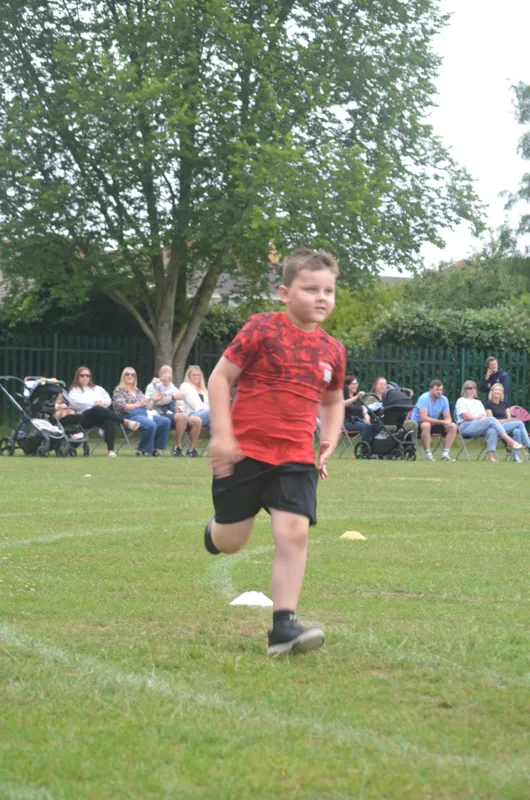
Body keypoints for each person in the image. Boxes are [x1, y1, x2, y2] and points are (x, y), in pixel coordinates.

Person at [203, 248, 346, 656]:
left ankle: (283, 626)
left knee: (293, 532)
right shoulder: (261, 328)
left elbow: (333, 401)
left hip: (296, 459)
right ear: (285, 292)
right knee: (232, 540)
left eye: (329, 291)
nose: (321, 297)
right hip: (245, 453)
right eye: (310, 288)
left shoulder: (333, 350)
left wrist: (329, 441)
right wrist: (223, 436)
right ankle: (214, 531)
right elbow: (218, 379)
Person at [67, 366, 140, 457]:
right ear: (77, 377)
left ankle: (110, 451)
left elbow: (108, 400)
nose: (85, 377)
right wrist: (95, 403)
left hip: (99, 415)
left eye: (87, 375)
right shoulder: (74, 391)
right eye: (82, 375)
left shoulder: (98, 388)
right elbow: (76, 403)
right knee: (97, 408)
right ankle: (124, 421)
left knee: (109, 419)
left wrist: (101, 402)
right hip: (84, 417)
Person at [455, 380, 523, 463]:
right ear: (465, 390)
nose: (472, 390)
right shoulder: (461, 400)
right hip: (466, 426)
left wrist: (481, 418)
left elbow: (484, 416)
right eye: (469, 388)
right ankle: (510, 441)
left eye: (474, 388)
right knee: (491, 419)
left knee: (492, 430)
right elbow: (465, 416)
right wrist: (478, 418)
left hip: (479, 425)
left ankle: (491, 457)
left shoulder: (478, 402)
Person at [144, 365, 202, 457]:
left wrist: (179, 407)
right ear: (159, 374)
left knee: (197, 420)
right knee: (182, 417)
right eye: (164, 373)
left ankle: (191, 449)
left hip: (175, 413)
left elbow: (181, 401)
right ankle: (177, 447)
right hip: (159, 414)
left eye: (169, 373)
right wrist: (172, 397)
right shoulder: (153, 386)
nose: (167, 375)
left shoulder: (172, 387)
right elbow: (157, 401)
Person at [112, 367, 170, 456]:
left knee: (165, 421)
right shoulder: (119, 390)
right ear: (123, 376)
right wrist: (137, 405)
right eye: (127, 374)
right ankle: (142, 450)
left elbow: (148, 407)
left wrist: (154, 400)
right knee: (150, 424)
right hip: (128, 416)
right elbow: (122, 406)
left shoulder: (138, 391)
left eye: (133, 374)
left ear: (135, 377)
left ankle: (154, 448)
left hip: (144, 413)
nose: (130, 376)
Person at [411, 379, 457, 461]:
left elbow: (448, 416)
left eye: (441, 390)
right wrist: (441, 422)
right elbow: (423, 418)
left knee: (453, 426)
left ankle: (445, 455)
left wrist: (447, 422)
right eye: (437, 389)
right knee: (426, 425)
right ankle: (428, 455)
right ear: (430, 389)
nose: (439, 392)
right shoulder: (424, 398)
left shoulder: (444, 399)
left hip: (433, 423)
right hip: (417, 424)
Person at [485, 382, 530, 462]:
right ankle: (528, 445)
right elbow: (491, 420)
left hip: (506, 427)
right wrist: (505, 420)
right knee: (520, 423)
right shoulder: (488, 404)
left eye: (499, 390)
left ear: (502, 392)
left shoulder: (504, 404)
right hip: (495, 428)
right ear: (492, 391)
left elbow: (509, 418)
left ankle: (516, 456)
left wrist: (504, 421)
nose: (497, 391)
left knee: (517, 431)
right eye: (496, 389)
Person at [179, 366, 211, 431]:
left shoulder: (203, 390)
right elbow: (194, 404)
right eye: (194, 375)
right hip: (192, 414)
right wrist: (209, 411)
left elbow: (208, 404)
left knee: (218, 424)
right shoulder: (185, 386)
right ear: (189, 376)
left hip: (206, 415)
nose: (196, 377)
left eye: (198, 375)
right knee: (216, 413)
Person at [343, 376, 373, 444]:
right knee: (366, 427)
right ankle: (363, 450)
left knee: (374, 425)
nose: (355, 386)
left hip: (358, 421)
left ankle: (372, 449)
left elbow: (363, 408)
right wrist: (357, 397)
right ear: (347, 385)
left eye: (356, 383)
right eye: (353, 384)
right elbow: (343, 404)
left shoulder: (357, 399)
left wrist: (366, 417)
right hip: (346, 423)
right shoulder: (342, 396)